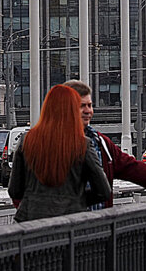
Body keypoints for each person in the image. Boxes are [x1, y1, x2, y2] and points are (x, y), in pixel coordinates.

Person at [8, 85, 110, 221]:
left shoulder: (27, 140)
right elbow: (103, 191)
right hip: (70, 225)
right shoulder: (82, 144)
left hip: (30, 223)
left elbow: (14, 190)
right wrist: (77, 201)